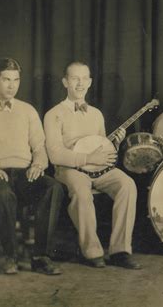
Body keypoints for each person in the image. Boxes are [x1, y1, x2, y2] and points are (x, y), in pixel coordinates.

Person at [0, 58, 63, 275]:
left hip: (23, 174)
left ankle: (40, 256)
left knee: (53, 187)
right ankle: (10, 256)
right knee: (3, 193)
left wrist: (38, 164)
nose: (12, 85)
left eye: (16, 80)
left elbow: (39, 146)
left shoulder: (28, 111)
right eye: (6, 80)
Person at [44, 61, 141, 270]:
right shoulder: (54, 114)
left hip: (98, 169)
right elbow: (54, 154)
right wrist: (87, 160)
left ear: (89, 82)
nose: (80, 83)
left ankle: (120, 251)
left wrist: (113, 144)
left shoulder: (96, 114)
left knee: (128, 185)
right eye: (74, 78)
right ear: (65, 82)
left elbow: (100, 147)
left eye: (84, 78)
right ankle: (92, 251)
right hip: (69, 169)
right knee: (81, 190)